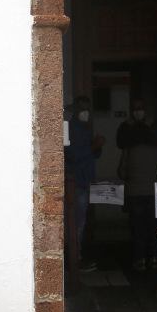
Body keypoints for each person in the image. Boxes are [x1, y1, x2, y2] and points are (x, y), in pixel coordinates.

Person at [117, 99, 157, 270]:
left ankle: (139, 259)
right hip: (155, 193)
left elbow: (121, 172)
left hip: (135, 192)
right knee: (154, 226)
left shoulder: (129, 149)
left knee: (138, 228)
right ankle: (154, 257)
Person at [65, 95, 104, 272]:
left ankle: (76, 258)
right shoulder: (71, 128)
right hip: (76, 182)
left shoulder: (85, 128)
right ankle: (74, 261)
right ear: (75, 110)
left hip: (85, 181)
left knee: (81, 222)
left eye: (87, 109)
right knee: (76, 224)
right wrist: (93, 147)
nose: (85, 112)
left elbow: (93, 156)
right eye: (82, 109)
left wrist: (97, 147)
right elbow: (72, 156)